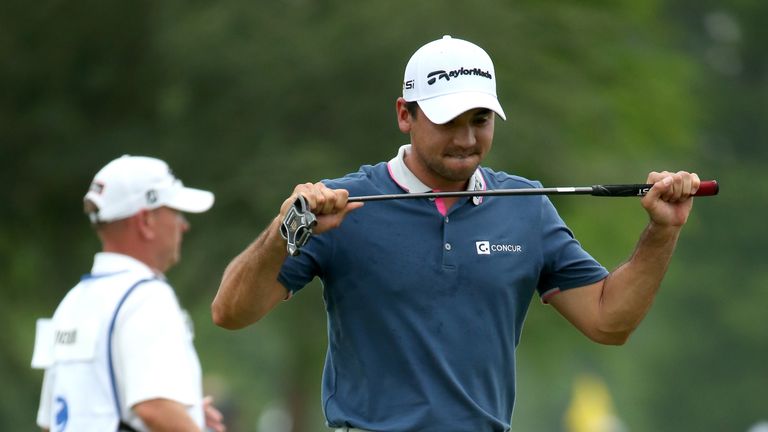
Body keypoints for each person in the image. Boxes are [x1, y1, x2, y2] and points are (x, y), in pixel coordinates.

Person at [211, 35, 701, 432]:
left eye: (480, 120)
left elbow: (607, 321)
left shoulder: (526, 208)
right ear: (406, 114)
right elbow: (230, 313)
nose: (467, 138)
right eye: (448, 121)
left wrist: (662, 232)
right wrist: (285, 230)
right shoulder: (338, 206)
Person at [32, 155, 226, 432]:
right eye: (175, 212)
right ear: (145, 221)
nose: (184, 225)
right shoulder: (146, 297)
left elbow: (55, 422)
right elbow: (154, 407)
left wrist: (189, 414)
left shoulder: (71, 302)